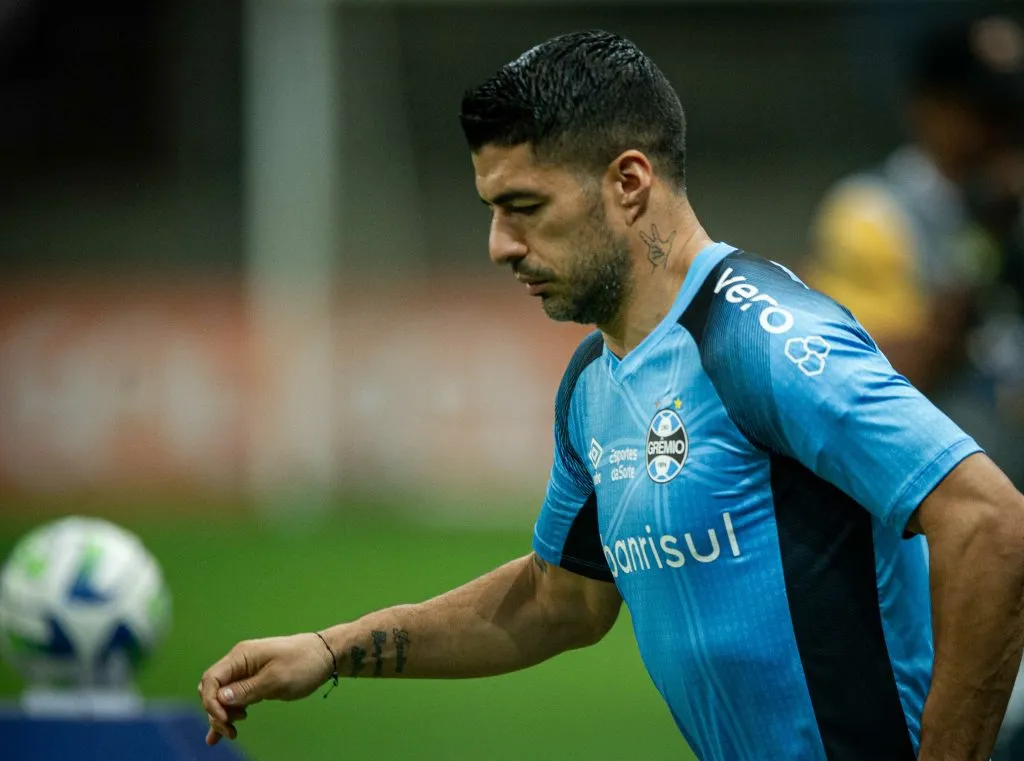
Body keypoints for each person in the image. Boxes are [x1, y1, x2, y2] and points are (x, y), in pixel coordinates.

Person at [199, 31, 1024, 761]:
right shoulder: (595, 383)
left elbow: (990, 522)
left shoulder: (760, 339)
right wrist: (331, 648)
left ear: (629, 181)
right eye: (492, 210)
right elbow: (561, 599)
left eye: (525, 207)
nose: (499, 245)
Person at [803, 15, 1024, 489]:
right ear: (929, 108)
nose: (1004, 133)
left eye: (1015, 114)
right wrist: (984, 250)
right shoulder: (871, 214)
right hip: (931, 510)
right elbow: (864, 388)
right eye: (987, 113)